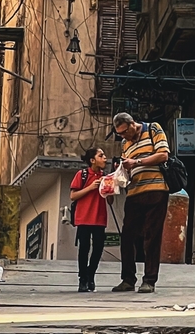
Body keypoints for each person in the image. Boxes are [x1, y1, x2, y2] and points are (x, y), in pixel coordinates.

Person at [111, 112, 170, 294]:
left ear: (131, 124)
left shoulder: (153, 128)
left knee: (152, 236)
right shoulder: (124, 144)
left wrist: (136, 161)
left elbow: (163, 155)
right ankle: (128, 279)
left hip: (156, 190)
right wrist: (121, 170)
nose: (122, 136)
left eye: (123, 132)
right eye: (119, 133)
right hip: (134, 192)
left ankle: (149, 280)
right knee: (128, 235)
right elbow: (128, 169)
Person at [70, 148, 112, 293]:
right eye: (101, 156)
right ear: (92, 160)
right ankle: (82, 278)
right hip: (84, 218)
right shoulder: (82, 175)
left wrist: (108, 188)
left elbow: (110, 200)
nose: (105, 158)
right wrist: (91, 187)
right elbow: (73, 196)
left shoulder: (106, 177)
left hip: (100, 218)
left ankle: (91, 275)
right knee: (84, 249)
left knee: (98, 249)